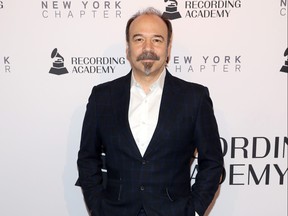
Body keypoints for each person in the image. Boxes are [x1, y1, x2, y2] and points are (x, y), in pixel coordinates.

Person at [76, 7, 224, 216]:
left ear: (168, 48)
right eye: (138, 39)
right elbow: (87, 158)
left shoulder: (195, 98)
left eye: (157, 39)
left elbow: (212, 162)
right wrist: (97, 207)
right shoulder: (102, 97)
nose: (148, 47)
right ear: (127, 49)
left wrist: (195, 211)